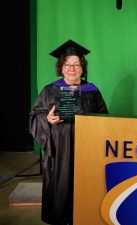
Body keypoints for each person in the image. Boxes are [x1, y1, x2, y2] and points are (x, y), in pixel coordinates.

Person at [29, 39, 108, 225]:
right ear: (61, 68)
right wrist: (47, 120)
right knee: (60, 185)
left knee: (85, 183)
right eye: (67, 64)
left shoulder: (93, 91)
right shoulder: (50, 90)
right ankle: (59, 218)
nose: (72, 69)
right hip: (59, 148)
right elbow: (35, 115)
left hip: (86, 147)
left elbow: (105, 117)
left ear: (82, 68)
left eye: (76, 64)